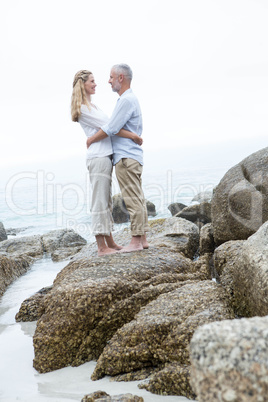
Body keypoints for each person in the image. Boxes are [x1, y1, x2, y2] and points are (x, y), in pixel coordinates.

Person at [71, 69, 142, 256]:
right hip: (99, 157)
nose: (96, 84)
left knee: (106, 201)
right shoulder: (84, 108)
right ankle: (102, 247)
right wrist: (132, 135)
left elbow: (109, 126)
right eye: (92, 81)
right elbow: (111, 126)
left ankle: (111, 243)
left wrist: (93, 138)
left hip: (105, 156)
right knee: (99, 201)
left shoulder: (92, 106)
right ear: (83, 84)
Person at [86, 64, 149, 252]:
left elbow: (112, 127)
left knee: (132, 199)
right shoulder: (129, 99)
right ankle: (143, 240)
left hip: (126, 157)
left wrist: (91, 139)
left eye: (112, 77)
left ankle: (136, 242)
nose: (109, 81)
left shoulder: (126, 100)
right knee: (138, 197)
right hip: (132, 156)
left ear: (121, 78)